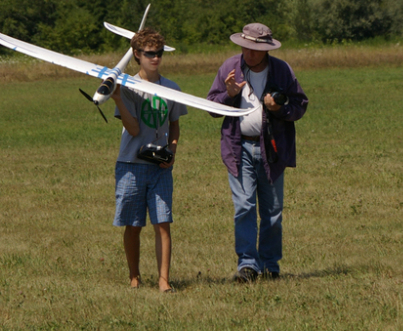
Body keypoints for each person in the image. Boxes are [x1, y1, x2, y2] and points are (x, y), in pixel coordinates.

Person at [207, 23, 308, 282]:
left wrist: (278, 109)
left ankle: (270, 266)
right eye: (245, 47)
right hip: (237, 147)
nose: (249, 53)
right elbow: (211, 107)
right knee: (244, 207)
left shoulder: (282, 70)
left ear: (266, 49)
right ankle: (248, 266)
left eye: (255, 49)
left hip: (273, 150)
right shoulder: (229, 67)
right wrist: (229, 96)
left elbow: (300, 106)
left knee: (272, 212)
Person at [111, 27, 187, 293]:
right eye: (149, 54)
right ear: (137, 55)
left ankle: (163, 280)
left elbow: (174, 125)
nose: (155, 58)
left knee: (162, 224)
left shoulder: (172, 88)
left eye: (159, 53)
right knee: (133, 226)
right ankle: (134, 276)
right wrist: (119, 99)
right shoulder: (129, 87)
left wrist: (173, 151)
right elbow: (132, 129)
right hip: (131, 165)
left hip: (160, 167)